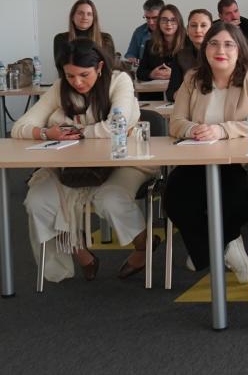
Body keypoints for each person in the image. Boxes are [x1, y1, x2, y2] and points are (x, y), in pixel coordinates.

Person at [16, 39, 154, 282]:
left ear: (99, 67)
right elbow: (20, 127)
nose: (77, 82)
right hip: (72, 164)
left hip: (123, 159)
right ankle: (80, 252)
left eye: (84, 75)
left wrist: (75, 130)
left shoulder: (118, 81)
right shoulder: (60, 88)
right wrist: (46, 133)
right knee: (38, 201)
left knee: (110, 199)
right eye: (70, 75)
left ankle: (144, 245)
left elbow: (116, 127)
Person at [164, 22, 248, 283]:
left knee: (237, 199)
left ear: (240, 49)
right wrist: (194, 129)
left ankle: (211, 246)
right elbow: (176, 122)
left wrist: (221, 130)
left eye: (229, 44)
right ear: (205, 48)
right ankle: (225, 245)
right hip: (200, 160)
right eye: (214, 44)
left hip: (243, 163)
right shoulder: (193, 78)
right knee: (174, 197)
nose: (221, 50)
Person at [54, 0, 118, 70]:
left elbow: (109, 68)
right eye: (80, 13)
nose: (85, 17)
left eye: (89, 14)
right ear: (72, 16)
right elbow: (61, 69)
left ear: (94, 18)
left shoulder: (106, 39)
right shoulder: (61, 39)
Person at [166, 9, 212, 101]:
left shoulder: (221, 54)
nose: (198, 30)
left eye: (203, 25)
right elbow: (170, 93)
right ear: (187, 29)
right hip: (189, 104)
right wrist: (180, 95)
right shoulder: (180, 55)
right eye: (193, 25)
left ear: (212, 29)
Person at [136, 4, 182, 81]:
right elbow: (140, 73)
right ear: (159, 23)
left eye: (173, 20)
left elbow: (196, 74)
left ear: (179, 22)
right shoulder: (149, 44)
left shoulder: (189, 44)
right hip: (155, 88)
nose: (168, 24)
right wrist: (151, 74)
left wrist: (175, 74)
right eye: (164, 20)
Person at [124, 0, 164, 68]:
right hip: (143, 71)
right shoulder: (139, 32)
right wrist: (131, 59)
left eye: (155, 18)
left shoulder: (171, 32)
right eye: (147, 18)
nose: (151, 22)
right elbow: (131, 54)